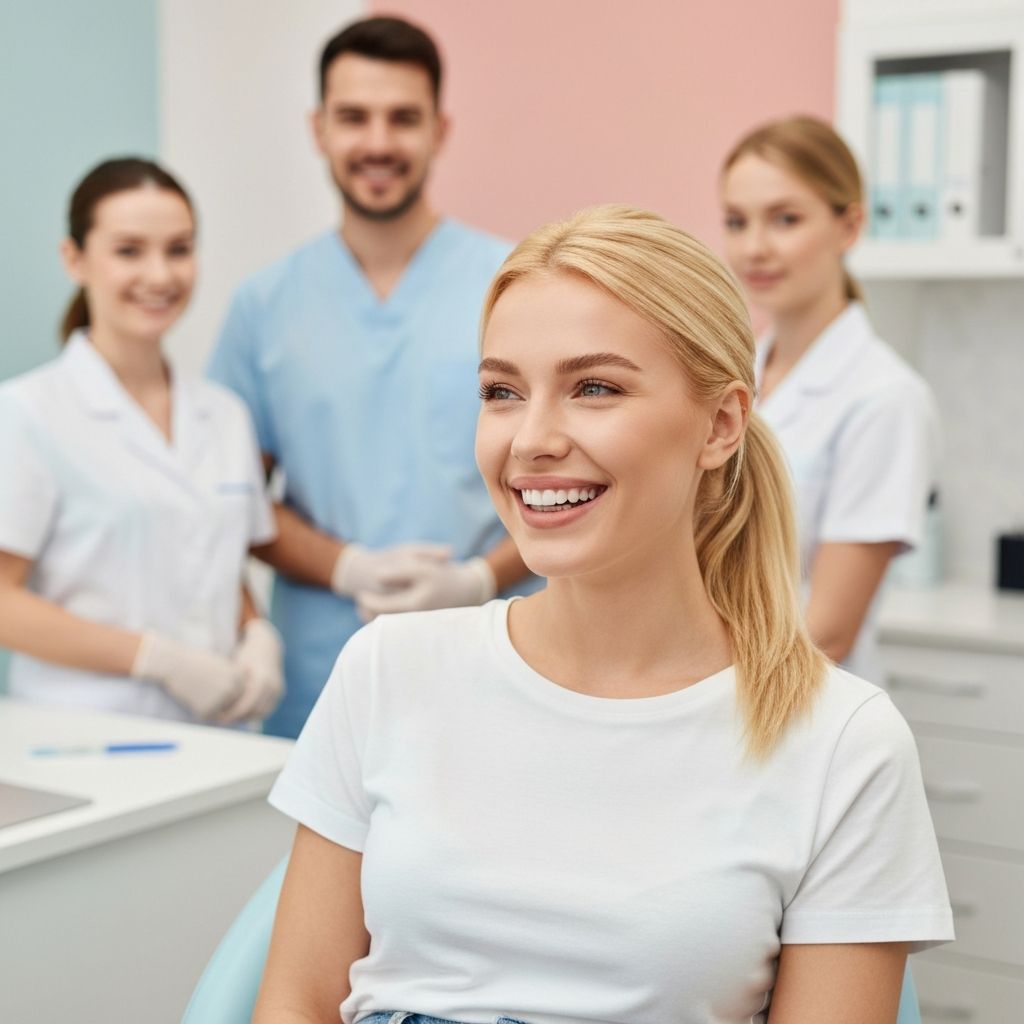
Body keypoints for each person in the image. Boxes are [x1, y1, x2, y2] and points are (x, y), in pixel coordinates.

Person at [255, 205, 952, 1024]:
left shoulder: (842, 744)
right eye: (501, 392)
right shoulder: (388, 669)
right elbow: (297, 999)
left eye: (594, 388)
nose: (532, 440)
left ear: (721, 425)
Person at [208, 15, 538, 740]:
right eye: (354, 117)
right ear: (318, 128)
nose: (379, 142)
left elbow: (572, 480)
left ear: (440, 131)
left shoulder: (517, 286)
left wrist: (478, 580)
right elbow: (229, 498)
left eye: (403, 118)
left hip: (498, 654)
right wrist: (343, 566)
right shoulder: (265, 307)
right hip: (324, 673)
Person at [0, 158, 282, 726]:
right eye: (129, 251)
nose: (159, 275)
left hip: (222, 730)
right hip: (84, 732)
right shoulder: (27, 412)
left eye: (179, 249)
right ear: (74, 259)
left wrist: (256, 632)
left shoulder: (223, 414)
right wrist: (154, 659)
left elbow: (214, 558)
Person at [720, 115, 940, 682]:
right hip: (713, 678)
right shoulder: (730, 374)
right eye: (737, 222)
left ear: (849, 227)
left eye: (785, 219)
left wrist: (699, 697)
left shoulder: (886, 398)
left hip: (793, 705)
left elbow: (830, 631)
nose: (755, 248)